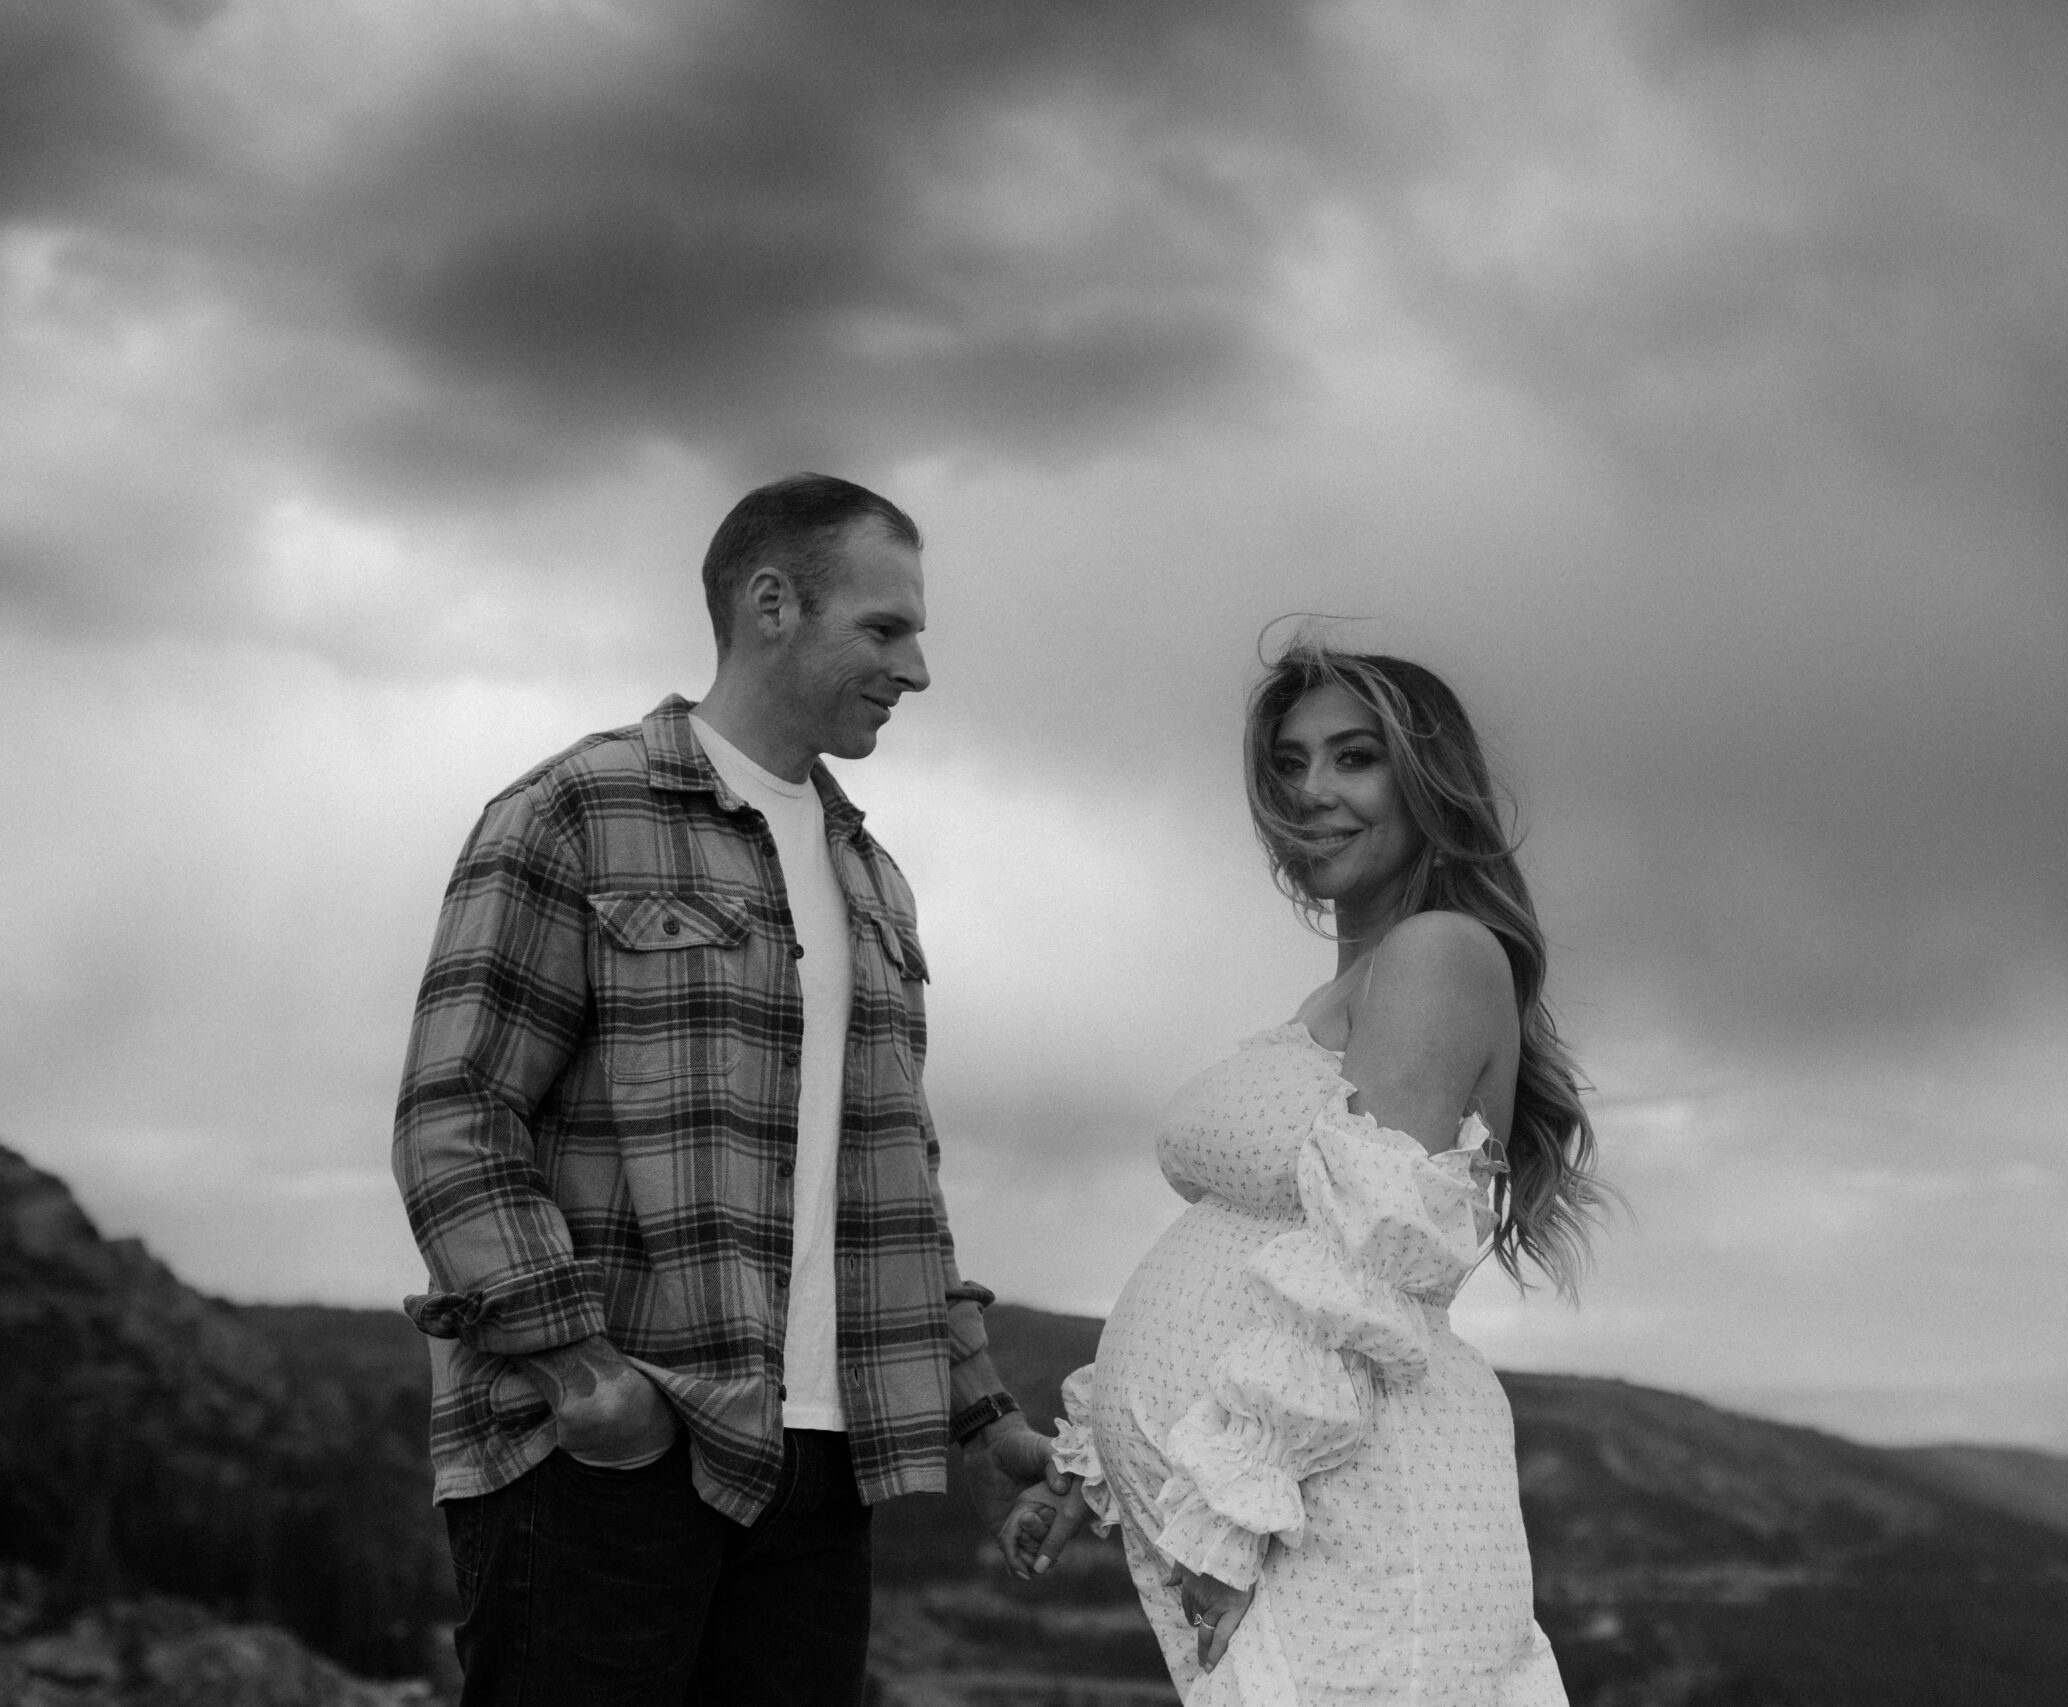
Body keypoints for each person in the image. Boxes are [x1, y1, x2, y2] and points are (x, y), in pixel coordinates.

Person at [393, 473, 1063, 1706]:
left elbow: (891, 1188)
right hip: (606, 1461)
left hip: (823, 1471)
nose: (916, 670)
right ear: (770, 604)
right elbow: (455, 1119)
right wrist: (583, 1382)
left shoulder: (874, 880)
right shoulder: (572, 813)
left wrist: (979, 1426)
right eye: (885, 628)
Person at [1019, 639, 1608, 1704]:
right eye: (1287, 766)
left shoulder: (1440, 954)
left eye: (1353, 759)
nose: (1310, 793)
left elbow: (1365, 1267)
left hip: (1353, 1525)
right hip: (1290, 1518)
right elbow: (1251, 1262)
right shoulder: (1346, 993)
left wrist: (1232, 1522)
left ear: (1428, 781)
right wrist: (1092, 1464)